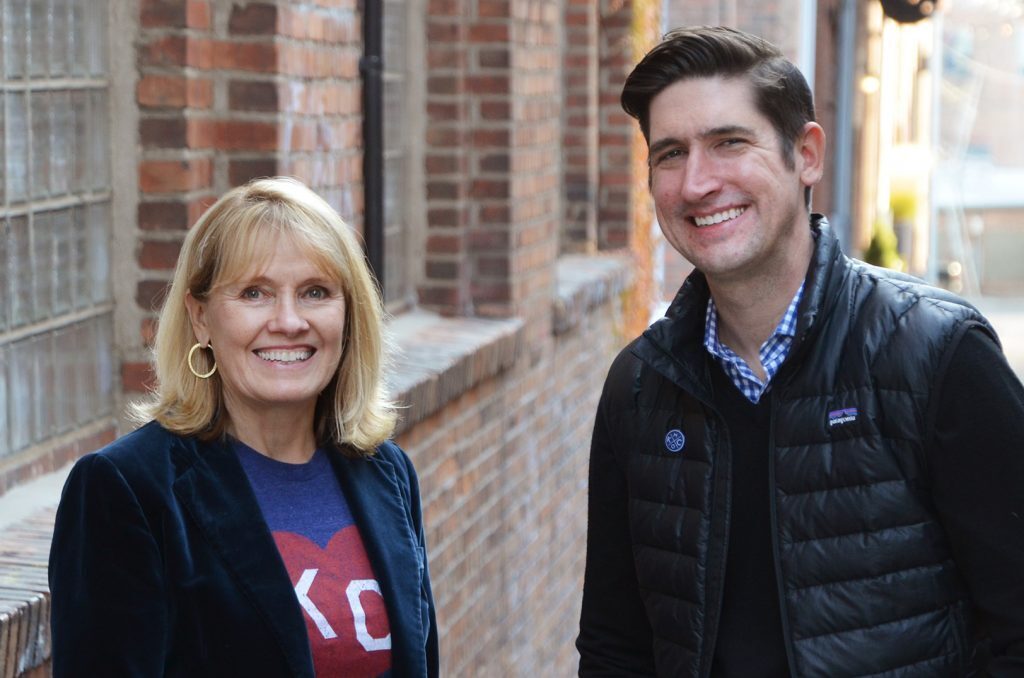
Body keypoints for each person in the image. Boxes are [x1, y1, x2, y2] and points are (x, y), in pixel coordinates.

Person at [576, 25, 1024, 677]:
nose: (696, 183)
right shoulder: (640, 388)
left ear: (806, 155)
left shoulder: (937, 356)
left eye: (729, 142)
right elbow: (615, 647)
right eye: (671, 154)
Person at [49, 177, 439, 677]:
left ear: (348, 315)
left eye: (315, 292)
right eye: (255, 293)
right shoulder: (126, 490)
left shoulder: (386, 471)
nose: (289, 321)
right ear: (201, 318)